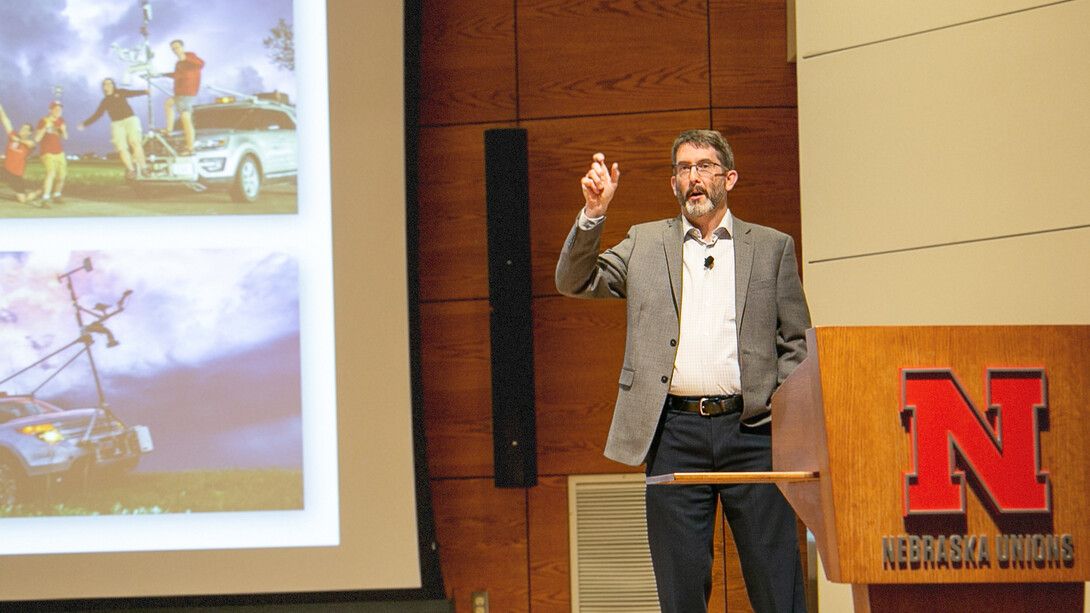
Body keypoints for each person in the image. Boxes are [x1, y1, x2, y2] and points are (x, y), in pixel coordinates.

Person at [555, 129, 811, 613]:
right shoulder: (644, 242)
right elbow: (573, 281)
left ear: (729, 178)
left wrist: (780, 411)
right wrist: (593, 215)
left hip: (753, 433)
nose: (694, 178)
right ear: (673, 183)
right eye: (684, 169)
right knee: (681, 593)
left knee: (778, 587)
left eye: (705, 166)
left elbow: (795, 340)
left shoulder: (772, 247)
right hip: (674, 432)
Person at [77, 78, 149, 180]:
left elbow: (132, 93)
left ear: (113, 85)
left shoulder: (120, 92)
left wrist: (145, 92)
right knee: (121, 148)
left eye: (110, 84)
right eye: (105, 84)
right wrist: (84, 124)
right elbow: (97, 114)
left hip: (130, 119)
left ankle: (144, 167)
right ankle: (131, 170)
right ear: (103, 87)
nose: (108, 86)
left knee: (134, 142)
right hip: (117, 124)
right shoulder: (105, 101)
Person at [162, 39, 204, 155]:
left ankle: (190, 148)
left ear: (182, 47)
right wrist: (162, 74)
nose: (176, 50)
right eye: (173, 49)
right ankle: (169, 129)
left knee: (186, 120)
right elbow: (177, 76)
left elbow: (201, 64)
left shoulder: (190, 56)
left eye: (177, 47)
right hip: (179, 93)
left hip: (187, 93)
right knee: (168, 103)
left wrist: (185, 58)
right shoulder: (179, 63)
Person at [0, 103, 42, 204]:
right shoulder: (13, 136)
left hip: (16, 175)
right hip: (5, 170)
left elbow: (31, 144)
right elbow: (6, 121)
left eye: (25, 129)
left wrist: (18, 140)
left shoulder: (28, 145)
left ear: (29, 133)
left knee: (23, 200)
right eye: (22, 127)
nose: (22, 129)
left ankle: (36, 193)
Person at [34, 100, 68, 204]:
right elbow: (37, 139)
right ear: (50, 110)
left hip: (59, 152)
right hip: (47, 152)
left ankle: (56, 195)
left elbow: (65, 137)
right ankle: (45, 198)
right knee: (51, 173)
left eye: (60, 109)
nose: (58, 111)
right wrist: (45, 128)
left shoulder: (61, 121)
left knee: (62, 175)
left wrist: (63, 129)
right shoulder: (43, 121)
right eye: (56, 109)